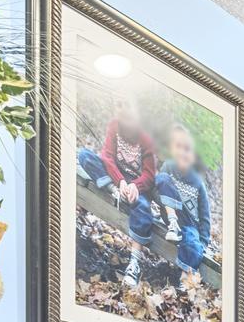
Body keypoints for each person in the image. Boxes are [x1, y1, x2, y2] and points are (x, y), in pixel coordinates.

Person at [74, 94, 163, 281]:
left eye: (128, 108)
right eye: (119, 108)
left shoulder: (146, 139)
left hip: (136, 186)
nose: (123, 113)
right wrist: (120, 182)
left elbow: (149, 174)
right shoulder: (114, 126)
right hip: (114, 177)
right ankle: (112, 191)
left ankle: (134, 263)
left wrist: (134, 186)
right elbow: (106, 156)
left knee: (144, 210)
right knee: (84, 156)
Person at [152, 123, 213, 285]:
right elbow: (158, 188)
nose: (182, 152)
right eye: (178, 147)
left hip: (189, 222)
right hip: (169, 214)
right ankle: (172, 225)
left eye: (187, 149)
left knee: (193, 243)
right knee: (162, 179)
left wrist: (204, 241)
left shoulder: (198, 182)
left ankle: (185, 277)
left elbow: (205, 215)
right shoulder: (168, 167)